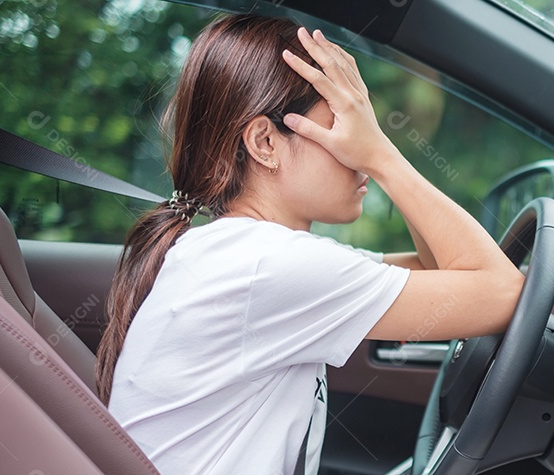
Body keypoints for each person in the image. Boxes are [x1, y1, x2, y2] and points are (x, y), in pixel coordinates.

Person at [95, 14, 524, 475]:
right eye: (341, 122)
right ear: (265, 142)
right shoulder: (268, 265)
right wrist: (380, 157)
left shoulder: (248, 254)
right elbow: (503, 294)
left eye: (363, 127)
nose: (357, 144)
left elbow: (437, 266)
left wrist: (375, 147)